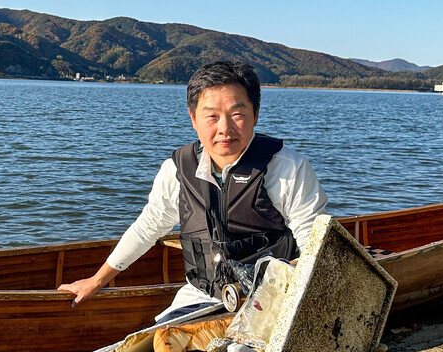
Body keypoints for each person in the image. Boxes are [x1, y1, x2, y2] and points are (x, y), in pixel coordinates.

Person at [58, 61, 327, 321]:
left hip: (273, 298)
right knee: (157, 348)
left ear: (255, 115)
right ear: (193, 118)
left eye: (237, 114)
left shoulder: (287, 169)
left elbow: (315, 245)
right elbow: (148, 227)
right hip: (201, 295)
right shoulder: (177, 170)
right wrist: (96, 280)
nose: (225, 128)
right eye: (211, 116)